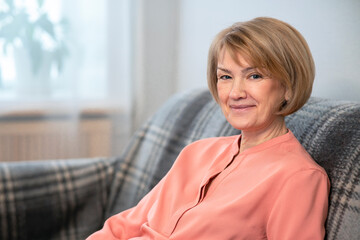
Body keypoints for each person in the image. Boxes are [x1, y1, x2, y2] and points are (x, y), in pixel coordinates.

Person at [87, 17, 330, 240]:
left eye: (254, 76)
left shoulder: (298, 178)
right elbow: (126, 224)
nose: (235, 93)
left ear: (288, 87)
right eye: (225, 77)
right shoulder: (196, 153)